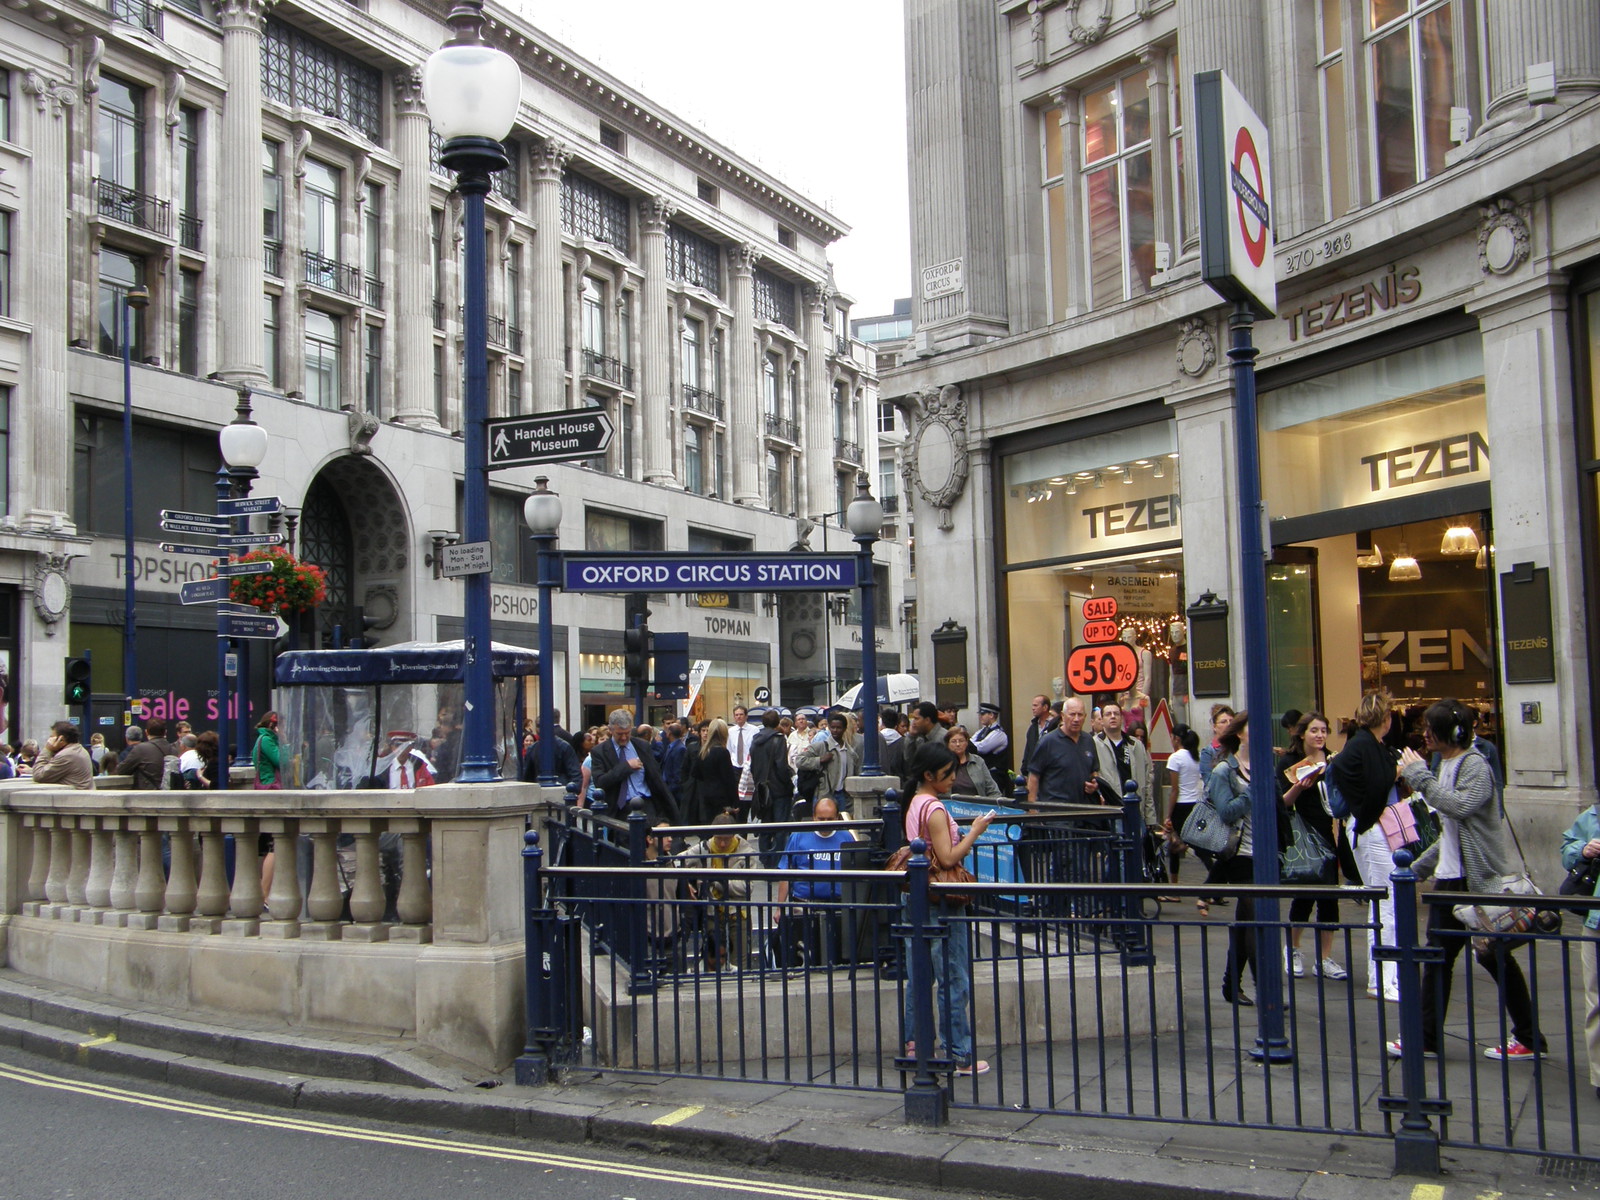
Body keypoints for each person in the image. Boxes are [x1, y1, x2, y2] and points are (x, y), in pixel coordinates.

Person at [1389, 699, 1547, 1062]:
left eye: (1432, 729)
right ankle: (1427, 1037)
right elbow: (1450, 831)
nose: (1424, 735)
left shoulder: (1474, 765)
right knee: (1440, 958)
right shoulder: (1442, 763)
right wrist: (1419, 868)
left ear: (1454, 733)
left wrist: (1418, 778)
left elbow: (1458, 806)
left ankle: (1527, 1036)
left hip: (1475, 881)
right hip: (1451, 879)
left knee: (1491, 957)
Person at [899, 743, 993, 1076]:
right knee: (953, 977)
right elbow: (949, 857)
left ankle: (914, 1045)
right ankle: (958, 1054)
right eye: (947, 773)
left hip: (916, 896)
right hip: (941, 899)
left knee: (919, 975)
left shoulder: (914, 803)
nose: (953, 778)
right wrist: (976, 833)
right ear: (929, 775)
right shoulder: (934, 808)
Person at [1329, 690, 1403, 1002]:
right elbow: (1375, 782)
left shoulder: (1364, 745)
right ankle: (1384, 977)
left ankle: (1384, 974)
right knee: (1385, 900)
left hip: (1367, 827)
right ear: (1385, 719)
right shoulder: (1365, 747)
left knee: (1383, 900)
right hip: (1370, 829)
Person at [1206, 712, 1277, 1006]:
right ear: (1240, 734)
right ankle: (1266, 989)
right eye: (1253, 728)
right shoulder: (1224, 771)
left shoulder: (1264, 766)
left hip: (1265, 853)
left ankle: (1230, 984)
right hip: (1239, 854)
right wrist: (1253, 791)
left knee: (1246, 922)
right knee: (1257, 919)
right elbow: (1225, 811)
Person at [1276, 712, 1348, 980]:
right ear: (1301, 733)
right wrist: (1299, 788)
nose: (1319, 735)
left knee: (1329, 896)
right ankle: (1292, 949)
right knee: (1304, 893)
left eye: (1323, 731)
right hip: (1301, 833)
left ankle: (1325, 958)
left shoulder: (1333, 760)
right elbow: (1282, 801)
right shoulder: (1290, 762)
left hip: (1327, 831)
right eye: (1314, 730)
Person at [774, 797, 857, 965]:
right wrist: (779, 907)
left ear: (837, 818)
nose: (825, 823)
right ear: (813, 817)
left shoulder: (846, 837)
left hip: (837, 904)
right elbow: (786, 873)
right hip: (804, 904)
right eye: (821, 819)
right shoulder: (798, 836)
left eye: (829, 819)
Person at [675, 811, 758, 971]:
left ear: (734, 835)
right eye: (718, 839)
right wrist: (685, 882)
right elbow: (677, 862)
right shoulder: (703, 849)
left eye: (726, 839)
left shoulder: (746, 852)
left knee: (740, 962)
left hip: (738, 914)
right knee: (711, 959)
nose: (721, 844)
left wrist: (718, 880)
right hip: (712, 913)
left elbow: (747, 888)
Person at [1559, 799, 1600, 1100]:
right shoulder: (1593, 815)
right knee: (1596, 998)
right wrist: (1583, 850)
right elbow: (1567, 849)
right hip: (1597, 920)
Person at [591, 708, 678, 824]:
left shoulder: (642, 746)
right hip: (620, 808)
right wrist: (626, 767)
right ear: (611, 730)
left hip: (646, 804)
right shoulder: (599, 751)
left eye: (627, 733)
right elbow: (600, 781)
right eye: (619, 734)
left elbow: (655, 777)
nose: (623, 738)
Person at [1026, 697, 1100, 806]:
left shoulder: (1088, 740)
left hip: (1084, 810)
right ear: (1063, 716)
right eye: (1072, 714)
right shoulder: (1048, 742)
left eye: (1080, 715)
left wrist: (1094, 784)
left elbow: (1094, 771)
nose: (1076, 719)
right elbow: (1033, 776)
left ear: (1085, 717)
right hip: (1056, 812)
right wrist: (1032, 810)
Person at [1162, 723, 1206, 906]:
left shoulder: (1175, 758)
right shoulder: (1196, 756)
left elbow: (1174, 790)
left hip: (1181, 806)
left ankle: (1175, 889)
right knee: (1200, 846)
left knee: (1174, 846)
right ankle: (1217, 884)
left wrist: (1168, 814)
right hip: (1196, 804)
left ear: (1176, 739)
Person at [684, 717, 740, 826]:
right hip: (722, 798)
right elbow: (729, 779)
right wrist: (735, 802)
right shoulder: (722, 752)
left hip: (706, 795)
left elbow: (695, 773)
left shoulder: (704, 751)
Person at [798, 711, 857, 808]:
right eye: (832, 728)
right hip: (823, 795)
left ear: (844, 729)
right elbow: (800, 760)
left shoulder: (850, 752)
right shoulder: (820, 746)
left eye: (838, 728)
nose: (835, 730)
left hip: (843, 796)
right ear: (829, 728)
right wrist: (819, 760)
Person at [748, 708, 794, 826]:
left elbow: (752, 765)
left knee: (765, 827)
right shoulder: (778, 739)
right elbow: (781, 766)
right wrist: (788, 783)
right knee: (781, 827)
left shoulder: (755, 740)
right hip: (779, 789)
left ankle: (764, 845)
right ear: (777, 722)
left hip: (762, 787)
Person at [31, 721, 94, 790]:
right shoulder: (78, 749)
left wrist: (47, 749)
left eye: (52, 737)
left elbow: (38, 776)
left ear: (61, 740)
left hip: (74, 798)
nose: (49, 741)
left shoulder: (67, 755)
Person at [946, 726, 1002, 799]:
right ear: (948, 744)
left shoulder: (978, 761)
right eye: (953, 741)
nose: (958, 744)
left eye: (961, 741)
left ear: (966, 742)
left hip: (978, 807)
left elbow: (993, 790)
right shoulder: (944, 763)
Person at [970, 702, 1010, 794]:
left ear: (991, 715)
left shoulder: (999, 734)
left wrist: (972, 744)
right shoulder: (981, 731)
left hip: (995, 776)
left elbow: (982, 747)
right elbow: (971, 743)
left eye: (983, 714)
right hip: (982, 774)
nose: (980, 716)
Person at [1198, 704, 1235, 779]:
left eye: (1231, 721)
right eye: (1223, 722)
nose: (1229, 724)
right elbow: (1209, 783)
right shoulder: (1208, 752)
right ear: (1214, 727)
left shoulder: (1240, 747)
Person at [251, 712, 282, 788]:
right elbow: (280, 761)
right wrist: (284, 742)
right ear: (272, 725)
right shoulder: (266, 740)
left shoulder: (270, 739)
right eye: (282, 726)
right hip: (270, 783)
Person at [877, 705, 906, 783]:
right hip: (899, 783)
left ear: (882, 722)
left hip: (880, 782)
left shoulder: (876, 740)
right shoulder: (903, 742)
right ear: (896, 724)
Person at [727, 705, 754, 774]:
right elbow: (729, 749)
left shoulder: (754, 730)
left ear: (746, 716)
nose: (739, 717)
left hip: (749, 766)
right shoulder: (730, 731)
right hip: (734, 766)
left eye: (741, 714)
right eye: (736, 715)